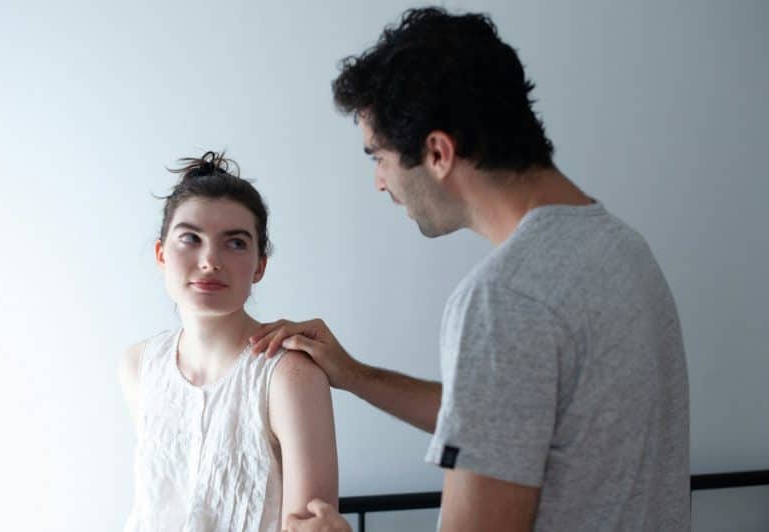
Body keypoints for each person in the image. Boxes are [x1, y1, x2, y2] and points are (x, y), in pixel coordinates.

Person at [255, 7, 689, 532]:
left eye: (379, 157)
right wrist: (356, 376)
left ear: (437, 152)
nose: (379, 183)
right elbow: (516, 419)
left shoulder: (505, 299)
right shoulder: (622, 248)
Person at [120, 151, 338, 532]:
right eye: (190, 238)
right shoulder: (138, 365)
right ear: (161, 254)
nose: (210, 260)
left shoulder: (290, 375)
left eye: (235, 243)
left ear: (260, 266)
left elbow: (308, 525)